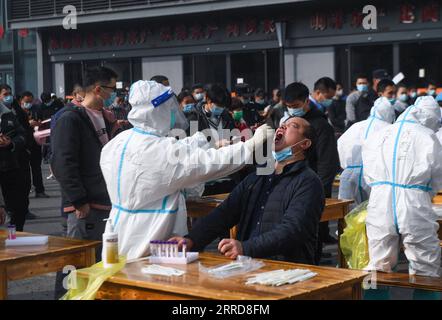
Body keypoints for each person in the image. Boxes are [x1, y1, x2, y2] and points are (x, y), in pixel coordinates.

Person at [100, 80, 272, 260]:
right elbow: (206, 163)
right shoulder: (160, 151)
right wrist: (250, 146)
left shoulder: (119, 143)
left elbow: (175, 150)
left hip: (118, 233)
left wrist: (208, 141)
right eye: (168, 108)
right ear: (157, 111)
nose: (173, 113)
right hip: (151, 238)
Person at [169, 116, 324, 264]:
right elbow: (224, 213)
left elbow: (293, 230)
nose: (283, 126)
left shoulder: (308, 182)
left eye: (293, 126)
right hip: (251, 266)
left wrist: (246, 247)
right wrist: (191, 240)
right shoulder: (257, 178)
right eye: (283, 124)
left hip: (289, 272)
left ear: (304, 144)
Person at [362, 96, 442, 299]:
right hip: (413, 200)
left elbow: (368, 174)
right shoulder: (428, 137)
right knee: (425, 261)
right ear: (430, 118)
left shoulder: (379, 135)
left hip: (380, 199)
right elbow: (437, 176)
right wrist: (426, 192)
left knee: (377, 262)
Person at [268, 81, 340, 247]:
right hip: (289, 180)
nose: (292, 110)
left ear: (307, 101)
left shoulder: (320, 125)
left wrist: (319, 189)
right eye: (288, 106)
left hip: (313, 181)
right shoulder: (285, 120)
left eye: (296, 105)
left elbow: (326, 162)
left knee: (311, 232)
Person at [337, 97, 395, 206]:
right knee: (373, 214)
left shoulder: (355, 126)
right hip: (375, 176)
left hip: (349, 174)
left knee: (349, 214)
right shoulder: (390, 129)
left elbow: (340, 145)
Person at [0, 97, 27, 230]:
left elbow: (22, 135)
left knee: (16, 208)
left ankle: (14, 236)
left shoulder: (8, 114)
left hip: (9, 166)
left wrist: (10, 143)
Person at [19, 91, 49, 199]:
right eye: (26, 101)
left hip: (35, 142)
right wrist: (28, 123)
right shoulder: (17, 111)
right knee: (24, 170)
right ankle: (24, 192)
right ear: (21, 101)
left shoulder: (36, 109)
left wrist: (39, 123)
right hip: (23, 144)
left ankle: (39, 190)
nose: (29, 103)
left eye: (31, 101)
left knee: (36, 168)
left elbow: (42, 120)